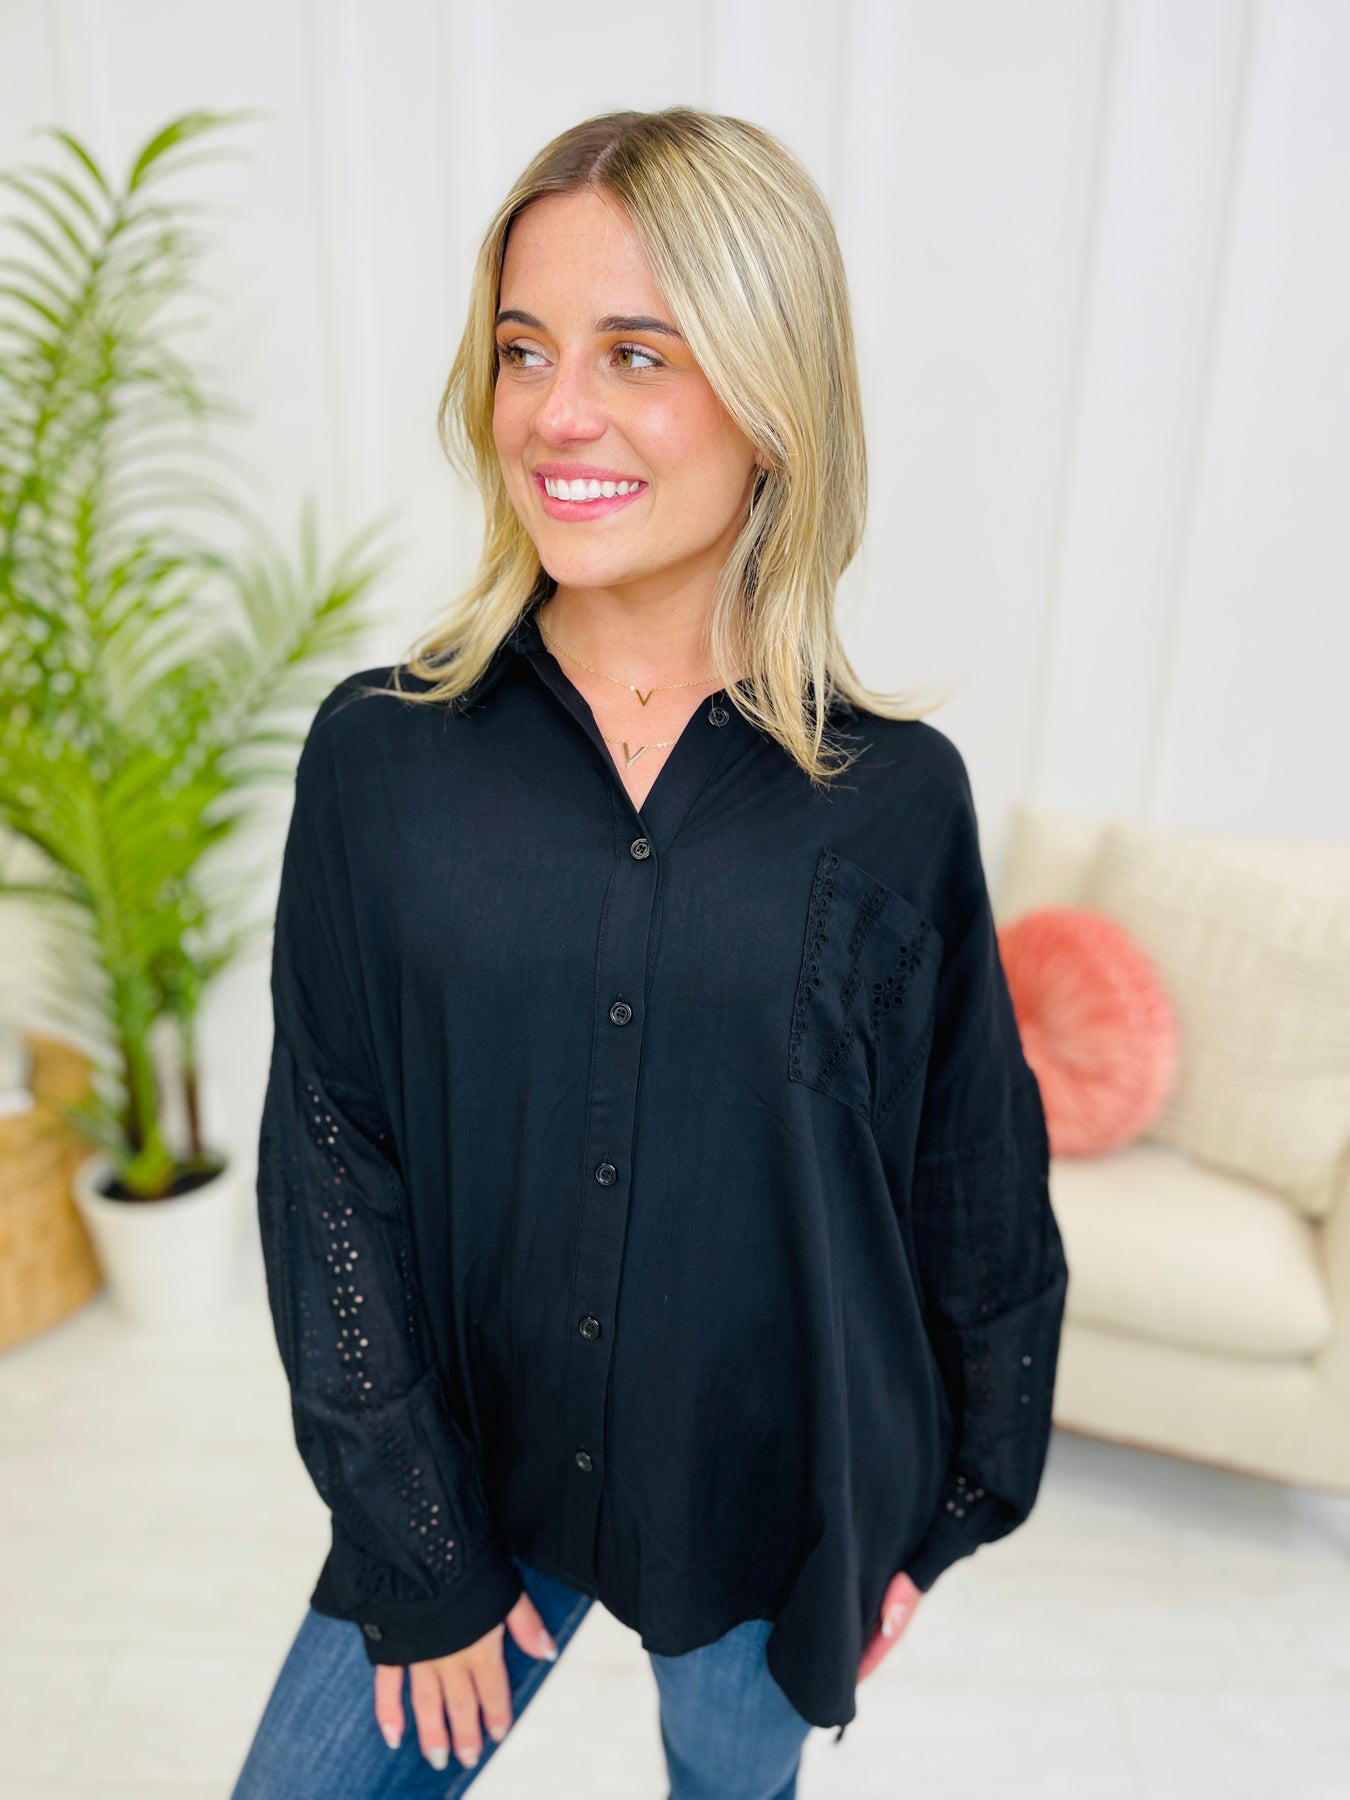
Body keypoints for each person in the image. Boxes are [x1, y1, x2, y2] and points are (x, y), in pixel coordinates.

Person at [231, 106, 1069, 1800]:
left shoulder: (891, 797)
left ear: (769, 398)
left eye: (636, 353)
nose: (555, 412)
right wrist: (416, 1546)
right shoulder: (381, 759)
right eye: (521, 349)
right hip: (466, 1478)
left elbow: (964, 1172)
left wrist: (937, 1507)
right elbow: (331, 1164)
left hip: (772, 1505)